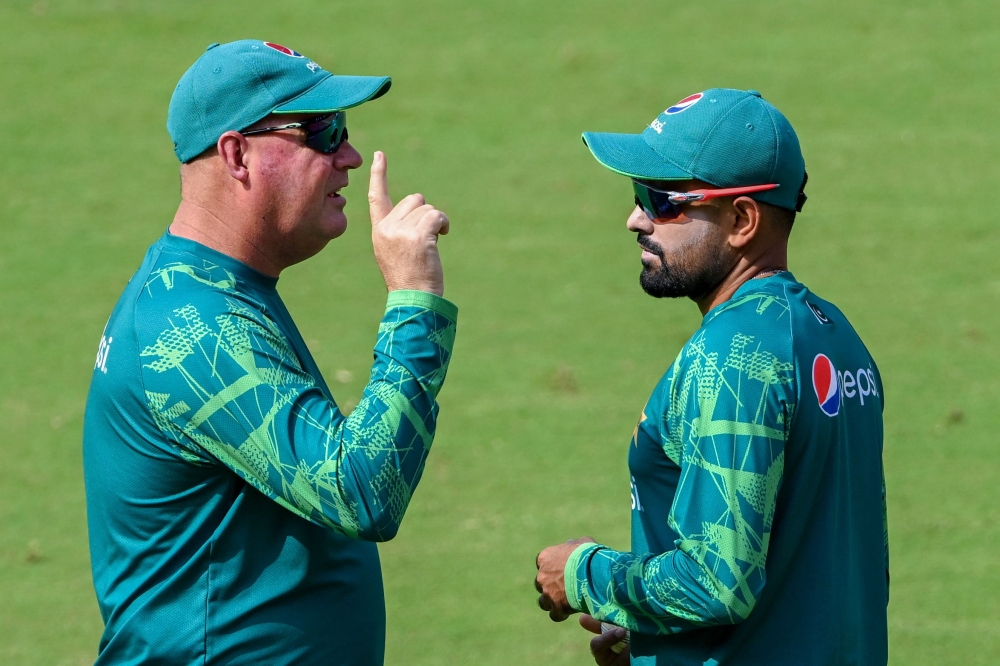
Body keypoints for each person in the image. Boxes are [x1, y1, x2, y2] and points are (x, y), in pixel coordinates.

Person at [83, 40, 457, 665]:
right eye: (322, 132)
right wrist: (414, 300)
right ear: (236, 154)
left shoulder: (214, 292)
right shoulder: (195, 325)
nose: (350, 156)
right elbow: (360, 492)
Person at [534, 89, 887, 665]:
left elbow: (717, 581)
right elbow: (815, 559)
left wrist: (582, 572)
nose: (635, 219)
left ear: (743, 219)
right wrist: (652, 633)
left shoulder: (729, 356)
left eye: (663, 200)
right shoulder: (838, 340)